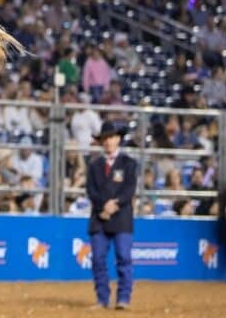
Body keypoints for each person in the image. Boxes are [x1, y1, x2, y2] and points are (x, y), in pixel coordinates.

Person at [86, 121, 137, 310]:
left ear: (118, 139)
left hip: (121, 217)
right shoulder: (94, 165)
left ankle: (123, 298)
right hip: (99, 217)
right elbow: (90, 190)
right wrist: (103, 206)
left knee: (123, 257)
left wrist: (114, 204)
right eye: (105, 138)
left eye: (112, 138)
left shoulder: (129, 163)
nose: (108, 142)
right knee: (98, 259)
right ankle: (102, 299)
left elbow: (129, 188)